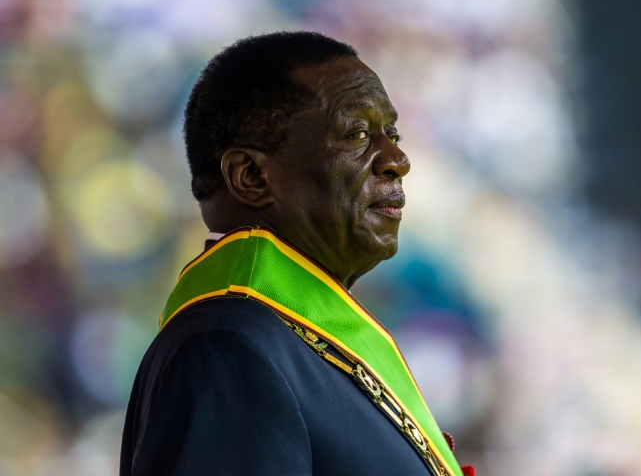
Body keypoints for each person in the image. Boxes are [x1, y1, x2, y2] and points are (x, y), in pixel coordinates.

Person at [120, 31, 471, 476]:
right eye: (358, 134)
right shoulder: (228, 351)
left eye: (392, 133)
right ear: (251, 176)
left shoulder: (279, 340)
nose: (397, 160)